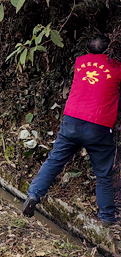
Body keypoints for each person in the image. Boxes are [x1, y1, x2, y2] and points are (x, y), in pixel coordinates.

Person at [23, 36, 121, 226]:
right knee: (103, 174)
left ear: (88, 49)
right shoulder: (117, 67)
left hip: (72, 121)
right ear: (109, 50)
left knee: (54, 160)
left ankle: (33, 194)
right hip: (98, 125)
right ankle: (107, 216)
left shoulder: (80, 62)